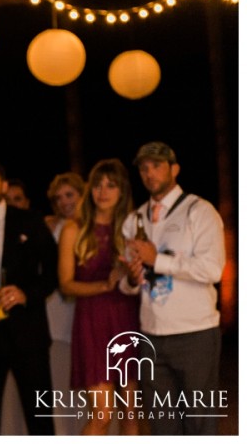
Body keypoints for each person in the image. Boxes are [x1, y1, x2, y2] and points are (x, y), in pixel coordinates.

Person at [120, 142, 226, 435]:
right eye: (143, 167)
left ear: (174, 169)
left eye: (156, 165)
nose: (149, 173)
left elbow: (212, 269)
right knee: (162, 426)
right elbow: (128, 285)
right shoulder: (134, 220)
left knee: (199, 424)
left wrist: (160, 261)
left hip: (195, 333)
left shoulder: (199, 210)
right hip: (151, 336)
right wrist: (131, 278)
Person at [0, 159, 57, 435]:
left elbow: (54, 274)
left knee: (39, 417)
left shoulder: (29, 221)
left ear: (5, 186)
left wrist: (26, 293)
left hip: (26, 333)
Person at [58, 159, 139, 435]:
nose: (102, 192)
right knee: (102, 414)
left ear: (122, 191)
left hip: (129, 319)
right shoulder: (74, 228)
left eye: (111, 185)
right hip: (92, 321)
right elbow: (66, 285)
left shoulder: (133, 228)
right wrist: (105, 285)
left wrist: (130, 275)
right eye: (97, 185)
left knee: (132, 413)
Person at [43, 171, 85, 435]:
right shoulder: (50, 226)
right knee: (59, 379)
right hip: (56, 308)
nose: (64, 202)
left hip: (86, 307)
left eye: (70, 195)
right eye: (58, 199)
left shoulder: (95, 227)